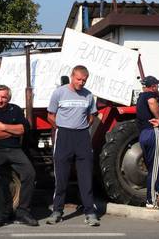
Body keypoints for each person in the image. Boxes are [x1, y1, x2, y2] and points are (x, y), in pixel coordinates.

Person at [46, 65, 100, 226]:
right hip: (64, 136)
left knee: (86, 177)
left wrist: (81, 128)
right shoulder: (59, 93)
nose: (81, 83)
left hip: (82, 137)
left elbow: (91, 117)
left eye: (84, 80)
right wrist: (62, 128)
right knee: (61, 177)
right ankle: (57, 211)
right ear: (72, 76)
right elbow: (50, 115)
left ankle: (90, 212)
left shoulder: (89, 95)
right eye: (78, 79)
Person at [0, 85, 38, 228]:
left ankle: (23, 211)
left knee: (30, 173)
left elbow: (24, 129)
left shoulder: (16, 110)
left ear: (9, 98)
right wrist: (13, 131)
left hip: (14, 149)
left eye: (4, 97)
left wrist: (4, 127)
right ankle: (0, 215)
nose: (0, 100)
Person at [136, 75, 159, 209]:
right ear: (153, 86)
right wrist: (158, 118)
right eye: (157, 85)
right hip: (153, 132)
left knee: (156, 166)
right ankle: (151, 200)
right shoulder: (149, 96)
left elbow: (157, 98)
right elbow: (152, 102)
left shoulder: (141, 97)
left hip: (144, 133)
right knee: (155, 169)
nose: (158, 88)